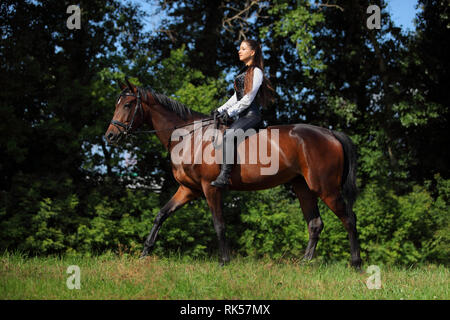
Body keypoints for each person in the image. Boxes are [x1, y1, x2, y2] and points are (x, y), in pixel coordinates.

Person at [211, 39, 275, 188]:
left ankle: (224, 176)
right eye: (240, 48)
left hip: (252, 117)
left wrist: (230, 113)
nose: (239, 51)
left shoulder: (257, 71)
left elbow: (248, 99)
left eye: (243, 48)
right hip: (241, 117)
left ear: (252, 52)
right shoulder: (244, 72)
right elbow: (236, 97)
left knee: (228, 135)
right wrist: (220, 110)